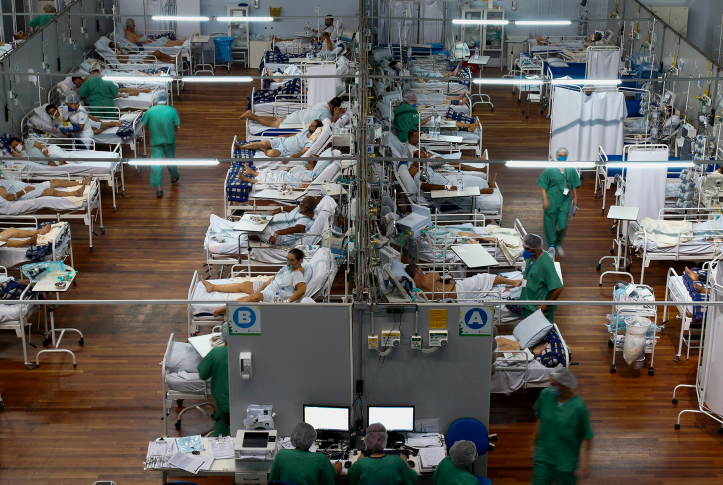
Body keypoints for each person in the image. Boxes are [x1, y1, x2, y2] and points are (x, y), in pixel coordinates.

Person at [531, 367, 593, 485]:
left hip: (565, 461)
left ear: (564, 386)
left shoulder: (578, 407)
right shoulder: (545, 395)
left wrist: (586, 463)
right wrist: (533, 444)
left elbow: (588, 435)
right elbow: (540, 419)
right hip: (543, 456)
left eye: (553, 384)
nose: (550, 386)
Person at [207, 248, 308, 316]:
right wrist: (262, 286)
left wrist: (287, 301)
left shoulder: (297, 274)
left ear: (300, 261)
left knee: (255, 297)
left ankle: (223, 308)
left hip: (275, 294)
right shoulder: (287, 267)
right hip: (269, 286)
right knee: (244, 285)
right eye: (287, 259)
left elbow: (302, 290)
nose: (289, 262)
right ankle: (213, 287)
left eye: (292, 260)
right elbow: (274, 277)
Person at [268, 422, 342, 485]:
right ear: (312, 440)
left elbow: (271, 481)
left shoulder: (281, 454)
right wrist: (338, 467)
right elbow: (331, 479)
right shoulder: (321, 459)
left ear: (293, 437)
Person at [538, 147, 580, 256]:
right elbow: (543, 184)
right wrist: (545, 199)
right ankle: (551, 246)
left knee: (562, 225)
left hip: (564, 201)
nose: (562, 157)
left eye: (564, 155)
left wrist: (576, 197)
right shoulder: (550, 169)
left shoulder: (570, 169)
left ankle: (557, 243)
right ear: (556, 156)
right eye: (560, 155)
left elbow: (574, 184)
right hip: (551, 199)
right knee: (550, 226)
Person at [405, 263, 522, 300]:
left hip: (457, 299)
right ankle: (514, 283)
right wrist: (449, 281)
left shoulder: (417, 293)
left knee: (491, 291)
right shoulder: (427, 278)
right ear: (417, 271)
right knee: (485, 278)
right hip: (460, 288)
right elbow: (448, 275)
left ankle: (517, 291)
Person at [348, 423, 417, 485]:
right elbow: (413, 478)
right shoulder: (398, 461)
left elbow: (352, 481)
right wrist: (405, 461)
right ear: (385, 440)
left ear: (366, 440)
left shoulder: (360, 463)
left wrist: (359, 461)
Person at [141, 91, 180, 197]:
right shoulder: (171, 110)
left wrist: (154, 129)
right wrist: (172, 130)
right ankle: (174, 176)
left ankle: (158, 188)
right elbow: (176, 126)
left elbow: (144, 125)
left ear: (157, 100)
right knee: (171, 159)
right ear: (167, 99)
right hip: (169, 140)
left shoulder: (150, 111)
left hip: (156, 141)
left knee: (156, 164)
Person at [519, 233, 563, 323]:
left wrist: (547, 305)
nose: (525, 251)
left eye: (527, 249)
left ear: (537, 247)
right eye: (524, 247)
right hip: (528, 306)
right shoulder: (531, 257)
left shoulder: (545, 263)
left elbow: (558, 288)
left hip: (537, 310)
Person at [394, 96, 477, 143]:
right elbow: (420, 123)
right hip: (414, 134)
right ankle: (468, 127)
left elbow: (395, 124)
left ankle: (468, 127)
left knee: (447, 122)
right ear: (411, 101)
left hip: (404, 136)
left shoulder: (397, 110)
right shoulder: (411, 109)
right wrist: (429, 118)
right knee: (446, 123)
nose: (415, 103)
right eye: (414, 101)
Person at [197, 323, 230, 437]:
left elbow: (203, 375)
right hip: (245, 399)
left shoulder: (216, 353)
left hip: (223, 398)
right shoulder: (250, 351)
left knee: (221, 427)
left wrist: (204, 360)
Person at [49, 96, 122, 143]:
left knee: (99, 125)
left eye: (53, 111)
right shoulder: (54, 121)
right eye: (50, 113)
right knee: (95, 131)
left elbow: (70, 121)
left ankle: (115, 124)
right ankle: (109, 127)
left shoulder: (65, 110)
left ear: (56, 109)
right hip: (78, 125)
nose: (52, 114)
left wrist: (94, 118)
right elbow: (66, 128)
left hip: (82, 122)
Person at [234, 120, 323, 158]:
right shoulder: (306, 130)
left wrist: (290, 157)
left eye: (312, 126)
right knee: (264, 143)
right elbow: (296, 134)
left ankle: (263, 150)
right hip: (282, 141)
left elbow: (303, 152)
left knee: (271, 153)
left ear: (316, 129)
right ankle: (241, 147)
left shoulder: (310, 142)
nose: (309, 126)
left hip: (286, 151)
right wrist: (283, 136)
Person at [238, 97, 345, 127]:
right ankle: (252, 116)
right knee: (274, 124)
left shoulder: (324, 103)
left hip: (298, 114)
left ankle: (254, 116)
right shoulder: (326, 113)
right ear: (336, 107)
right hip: (297, 120)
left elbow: (323, 114)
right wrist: (336, 114)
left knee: (276, 120)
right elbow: (330, 124)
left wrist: (334, 112)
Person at [0, 173, 93, 202]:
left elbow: (16, 184)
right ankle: (75, 193)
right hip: (25, 193)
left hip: (29, 187)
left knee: (55, 181)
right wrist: (25, 190)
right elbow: (8, 198)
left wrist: (27, 185)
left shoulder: (3, 179)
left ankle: (82, 182)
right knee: (48, 191)